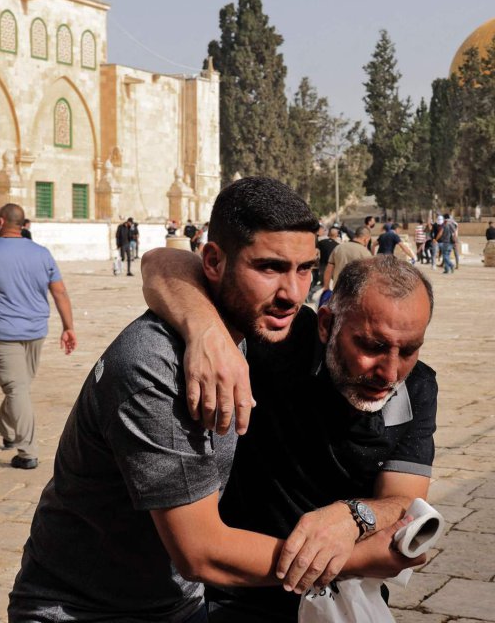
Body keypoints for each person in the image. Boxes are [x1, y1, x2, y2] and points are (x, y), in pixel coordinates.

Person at [8, 178, 414, 622]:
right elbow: (201, 553)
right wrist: (358, 559)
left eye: (305, 270)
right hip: (84, 610)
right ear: (215, 262)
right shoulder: (154, 366)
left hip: (177, 606)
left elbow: (165, 261)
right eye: (270, 268)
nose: (293, 294)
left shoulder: (248, 329)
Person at [144, 255, 437, 621]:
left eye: (408, 350)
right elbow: (162, 264)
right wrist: (206, 331)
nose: (390, 372)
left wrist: (352, 517)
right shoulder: (282, 340)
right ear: (328, 324)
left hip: (337, 602)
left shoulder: (418, 386)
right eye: (372, 346)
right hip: (234, 595)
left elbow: (404, 499)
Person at [0, 204, 77, 470]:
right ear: (22, 224)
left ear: (0, 221)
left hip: (3, 331)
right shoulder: (42, 253)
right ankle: (8, 429)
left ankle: (27, 452)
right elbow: (59, 292)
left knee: (16, 388)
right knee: (18, 387)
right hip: (35, 331)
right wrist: (68, 326)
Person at [322, 226, 372, 290]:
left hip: (338, 289)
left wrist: (326, 287)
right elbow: (370, 275)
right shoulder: (365, 252)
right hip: (356, 291)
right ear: (366, 239)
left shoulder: (338, 248)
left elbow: (329, 269)